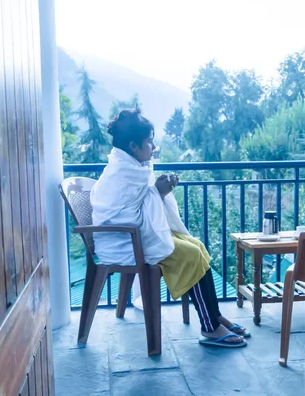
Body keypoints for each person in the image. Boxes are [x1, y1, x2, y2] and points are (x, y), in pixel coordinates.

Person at [90, 108, 249, 348]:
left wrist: (157, 192)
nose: (153, 147)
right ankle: (210, 328)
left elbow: (139, 208)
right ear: (134, 146)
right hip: (123, 242)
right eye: (149, 142)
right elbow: (130, 218)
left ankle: (214, 316)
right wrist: (158, 192)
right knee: (190, 254)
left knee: (197, 245)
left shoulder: (130, 167)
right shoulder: (122, 174)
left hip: (135, 235)